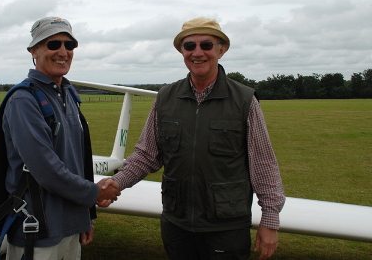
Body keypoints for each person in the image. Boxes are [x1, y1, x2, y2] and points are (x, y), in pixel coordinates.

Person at [99, 17, 286, 260]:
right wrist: (116, 182)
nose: (198, 53)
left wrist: (270, 220)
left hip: (226, 228)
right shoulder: (165, 97)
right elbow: (146, 156)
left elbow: (263, 164)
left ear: (222, 49)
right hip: (177, 225)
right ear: (181, 51)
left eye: (206, 45)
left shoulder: (244, 100)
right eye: (189, 46)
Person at [1, 17, 120, 260]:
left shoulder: (68, 93)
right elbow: (46, 169)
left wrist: (85, 217)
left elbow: (78, 164)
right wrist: (94, 193)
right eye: (53, 44)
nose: (63, 52)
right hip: (36, 231)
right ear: (34, 51)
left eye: (70, 45)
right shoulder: (23, 100)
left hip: (71, 228)